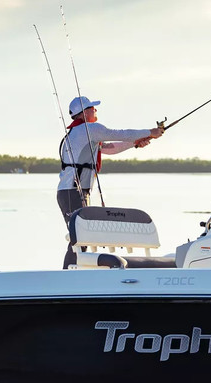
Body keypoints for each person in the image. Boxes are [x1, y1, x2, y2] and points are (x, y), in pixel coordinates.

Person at [57, 95, 163, 266]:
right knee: (80, 238)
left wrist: (135, 143)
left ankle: (73, 271)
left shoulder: (82, 133)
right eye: (92, 108)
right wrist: (150, 132)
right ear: (84, 113)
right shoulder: (89, 129)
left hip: (75, 192)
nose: (95, 110)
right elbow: (119, 134)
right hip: (72, 191)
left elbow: (110, 148)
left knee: (82, 238)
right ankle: (69, 274)